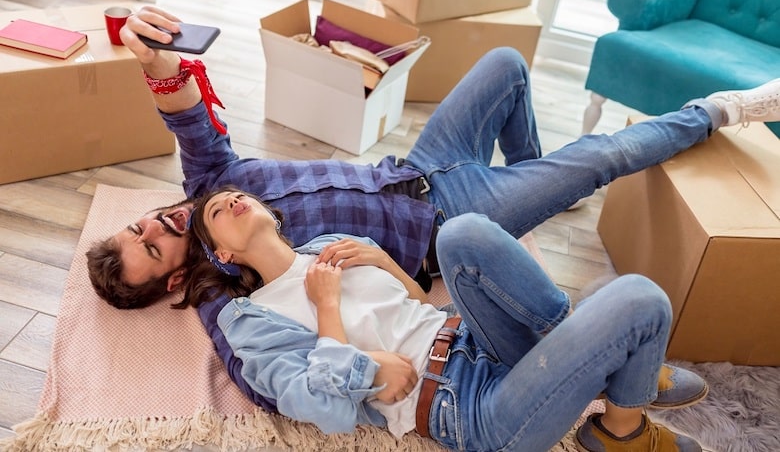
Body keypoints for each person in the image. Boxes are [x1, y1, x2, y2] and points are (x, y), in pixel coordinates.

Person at [87, 5, 780, 311]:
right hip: (450, 220)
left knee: (505, 63)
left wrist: (155, 58)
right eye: (149, 249)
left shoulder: (207, 186)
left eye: (137, 226)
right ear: (173, 283)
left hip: (419, 164)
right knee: (604, 154)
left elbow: (186, 115)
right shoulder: (230, 280)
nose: (153, 226)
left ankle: (535, 181)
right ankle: (722, 110)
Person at [183, 184, 704, 451]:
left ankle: (600, 360)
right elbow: (313, 403)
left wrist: (385, 262)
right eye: (215, 213)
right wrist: (326, 311)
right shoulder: (249, 320)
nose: (230, 200)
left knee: (461, 234)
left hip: (471, 336)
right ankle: (622, 428)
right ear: (222, 256)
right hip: (464, 406)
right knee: (637, 300)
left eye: (236, 196)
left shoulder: (334, 247)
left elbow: (414, 307)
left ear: (270, 213)